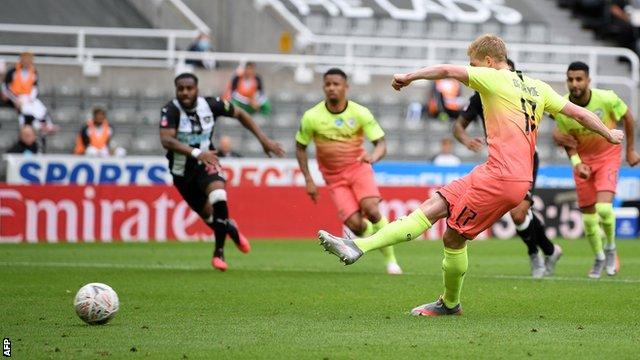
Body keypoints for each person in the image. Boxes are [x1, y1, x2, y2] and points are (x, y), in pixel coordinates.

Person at [318, 34, 623, 316]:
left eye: (474, 64)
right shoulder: (537, 86)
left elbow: (449, 71)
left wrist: (410, 77)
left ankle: (450, 304)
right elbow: (580, 113)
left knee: (453, 236)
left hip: (503, 179)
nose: (471, 70)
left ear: (489, 61)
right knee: (435, 205)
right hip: (495, 171)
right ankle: (359, 246)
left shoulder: (491, 77)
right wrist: (608, 133)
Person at [159, 73, 284, 271]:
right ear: (176, 90)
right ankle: (232, 230)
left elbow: (241, 114)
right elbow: (166, 140)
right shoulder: (170, 110)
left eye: (189, 88)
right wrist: (197, 153)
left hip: (207, 163)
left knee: (218, 195)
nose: (185, 92)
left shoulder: (211, 105)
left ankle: (219, 252)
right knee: (210, 217)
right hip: (182, 172)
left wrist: (263, 140)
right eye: (180, 88)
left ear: (196, 89)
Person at [453, 58, 562, 278]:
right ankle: (550, 250)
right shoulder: (481, 95)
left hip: (527, 158)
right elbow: (458, 126)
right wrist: (466, 140)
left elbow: (560, 113)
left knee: (519, 212)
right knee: (521, 213)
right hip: (501, 161)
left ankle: (535, 255)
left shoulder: (525, 92)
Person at [296, 68, 402, 275]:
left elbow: (380, 143)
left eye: (336, 84)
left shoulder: (360, 113)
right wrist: (308, 179)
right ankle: (371, 238)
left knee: (372, 210)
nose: (332, 88)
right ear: (323, 87)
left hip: (358, 168)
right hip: (334, 177)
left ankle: (392, 262)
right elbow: (300, 147)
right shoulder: (312, 117)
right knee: (357, 225)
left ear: (346, 87)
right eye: (328, 84)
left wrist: (374, 156)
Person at [552, 61, 639, 278]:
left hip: (608, 156)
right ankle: (599, 256)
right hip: (583, 163)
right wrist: (577, 164)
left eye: (579, 79)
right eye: (570, 79)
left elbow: (628, 117)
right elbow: (568, 142)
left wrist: (630, 150)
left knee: (604, 209)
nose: (574, 83)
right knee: (589, 219)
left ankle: (610, 248)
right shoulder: (562, 108)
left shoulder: (607, 98)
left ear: (588, 80)